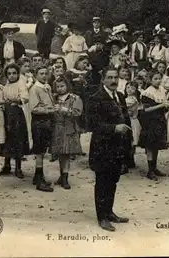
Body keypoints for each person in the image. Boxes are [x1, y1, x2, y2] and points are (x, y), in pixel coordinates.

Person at [87, 67, 132, 231]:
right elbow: (93, 124)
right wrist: (114, 128)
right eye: (110, 77)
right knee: (102, 182)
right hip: (102, 146)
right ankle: (102, 218)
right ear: (103, 79)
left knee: (113, 179)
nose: (114, 80)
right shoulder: (96, 98)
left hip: (118, 146)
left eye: (116, 77)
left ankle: (110, 212)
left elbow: (125, 118)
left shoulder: (119, 96)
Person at [50, 77, 84, 189]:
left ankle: (65, 177)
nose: (60, 89)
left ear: (67, 86)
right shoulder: (53, 97)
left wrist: (66, 110)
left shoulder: (74, 98)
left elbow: (77, 113)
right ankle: (61, 175)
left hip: (68, 127)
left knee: (66, 153)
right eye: (58, 87)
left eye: (62, 86)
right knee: (60, 152)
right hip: (57, 127)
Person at [0, 64, 29, 178]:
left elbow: (25, 98)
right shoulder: (5, 86)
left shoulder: (20, 85)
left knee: (17, 139)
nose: (11, 76)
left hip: (16, 115)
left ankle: (18, 168)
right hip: (6, 114)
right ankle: (6, 165)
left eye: (14, 73)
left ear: (18, 74)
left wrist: (13, 99)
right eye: (9, 73)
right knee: (6, 138)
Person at [29, 66, 57, 192]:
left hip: (47, 120)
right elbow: (34, 108)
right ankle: (40, 180)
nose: (44, 76)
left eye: (46, 73)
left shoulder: (47, 87)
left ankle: (37, 175)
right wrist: (50, 110)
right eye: (41, 73)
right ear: (36, 75)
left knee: (43, 149)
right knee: (39, 151)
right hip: (39, 121)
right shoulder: (35, 89)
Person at [138, 70, 169, 181]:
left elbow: (164, 106)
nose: (158, 81)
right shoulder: (147, 93)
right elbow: (146, 109)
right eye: (155, 79)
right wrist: (161, 105)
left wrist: (166, 106)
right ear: (150, 80)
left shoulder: (161, 90)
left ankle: (154, 168)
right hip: (150, 121)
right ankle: (150, 171)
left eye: (159, 78)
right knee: (150, 146)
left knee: (156, 144)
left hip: (160, 120)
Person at [124, 81, 142, 170]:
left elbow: (125, 108)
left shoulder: (132, 99)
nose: (129, 89)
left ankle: (128, 161)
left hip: (132, 121)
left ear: (136, 90)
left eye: (132, 88)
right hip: (130, 121)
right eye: (128, 87)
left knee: (131, 142)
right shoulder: (127, 98)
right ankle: (130, 160)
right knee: (129, 142)